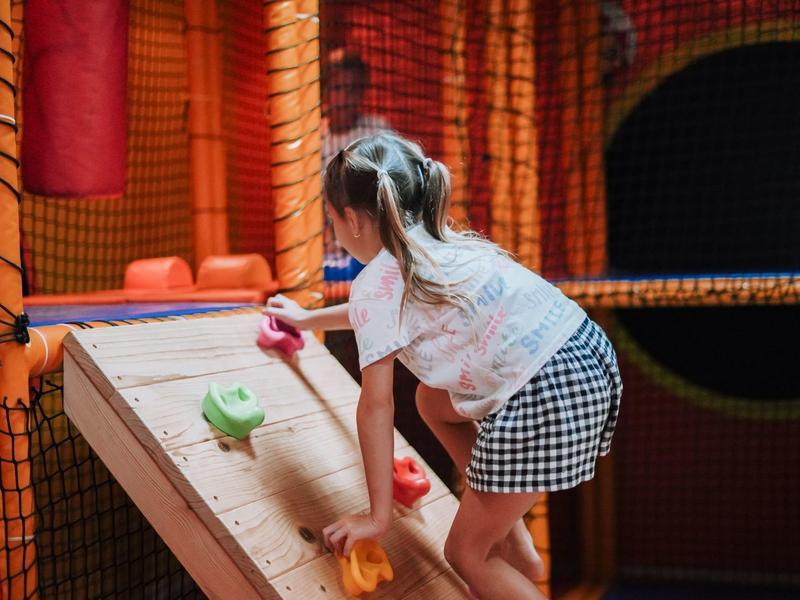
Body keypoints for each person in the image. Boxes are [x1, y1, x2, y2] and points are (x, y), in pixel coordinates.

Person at [264, 132, 622, 600]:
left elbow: (375, 406)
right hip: (587, 361)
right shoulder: (443, 243)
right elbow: (378, 313)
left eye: (331, 223)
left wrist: (378, 516)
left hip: (542, 396)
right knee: (432, 399)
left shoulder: (376, 282)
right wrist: (308, 319)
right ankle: (516, 547)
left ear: (351, 220)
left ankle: (498, 554)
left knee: (465, 555)